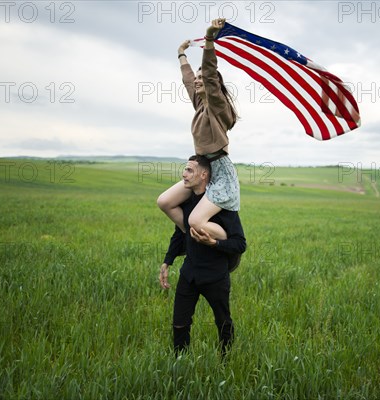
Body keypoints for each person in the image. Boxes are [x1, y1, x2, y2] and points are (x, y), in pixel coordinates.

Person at [157, 18, 240, 242]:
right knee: (164, 202)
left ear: (214, 86)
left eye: (203, 79)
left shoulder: (217, 105)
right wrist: (181, 53)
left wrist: (210, 38)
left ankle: (225, 240)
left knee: (195, 220)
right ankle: (193, 240)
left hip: (220, 173)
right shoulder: (201, 104)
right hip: (202, 168)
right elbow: (188, 80)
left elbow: (211, 73)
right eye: (198, 77)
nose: (198, 80)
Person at [159, 155, 246, 357]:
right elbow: (179, 233)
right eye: (185, 169)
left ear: (204, 174)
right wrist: (167, 261)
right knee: (179, 323)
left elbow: (240, 243)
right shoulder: (188, 202)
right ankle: (180, 362)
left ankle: (226, 360)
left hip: (215, 276)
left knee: (223, 321)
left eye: (189, 170)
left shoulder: (221, 206)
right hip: (189, 274)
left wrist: (214, 243)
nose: (184, 174)